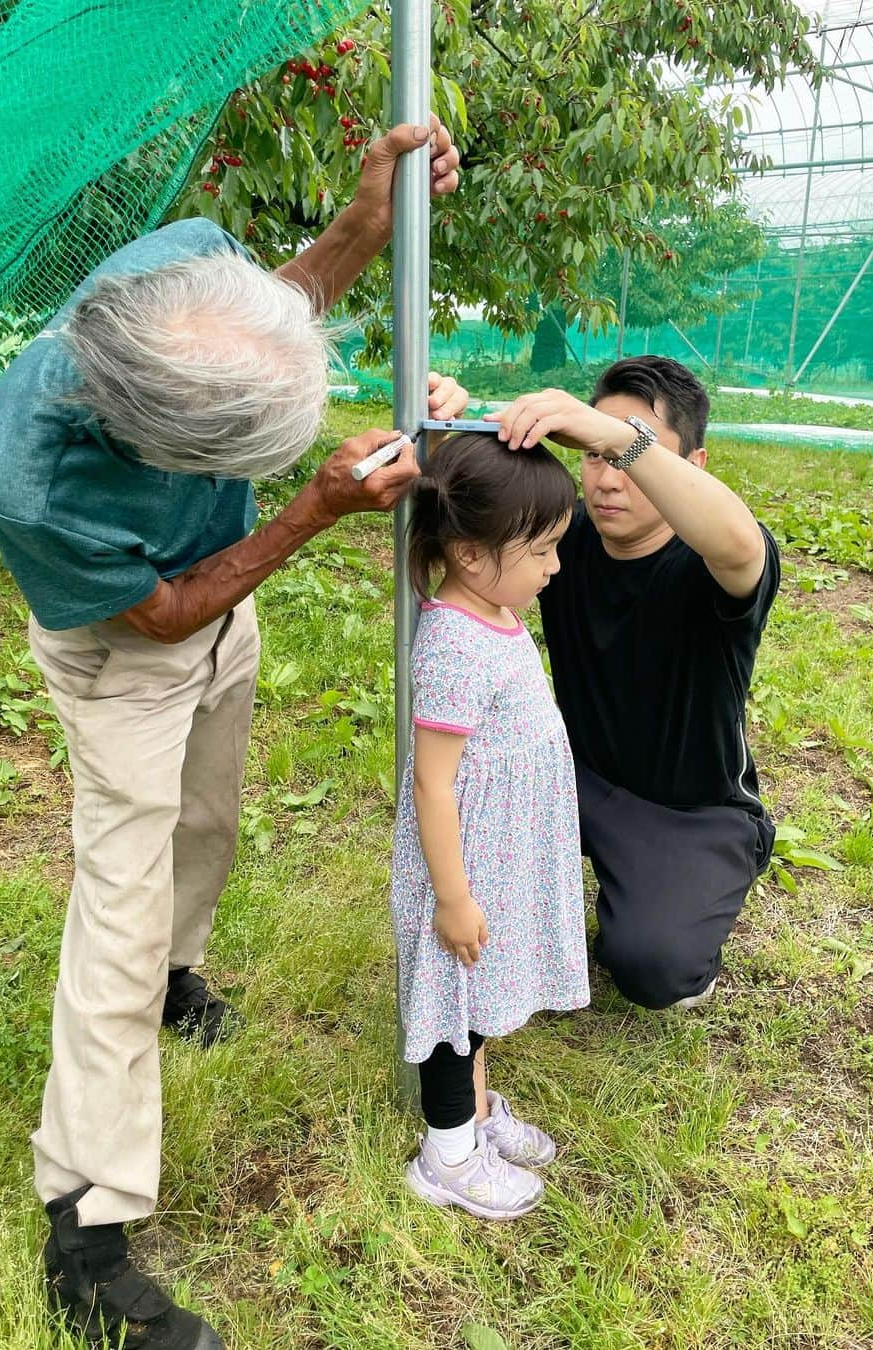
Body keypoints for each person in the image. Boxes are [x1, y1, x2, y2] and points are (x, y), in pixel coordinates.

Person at [0, 120, 464, 1350]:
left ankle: (173, 978)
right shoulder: (39, 482)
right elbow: (165, 613)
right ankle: (83, 1231)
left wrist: (367, 217)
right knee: (119, 899)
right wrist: (310, 509)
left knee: (212, 819)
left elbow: (280, 303)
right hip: (126, 646)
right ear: (159, 452)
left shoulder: (176, 278)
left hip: (217, 615)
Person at [487, 356, 780, 1012]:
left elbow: (739, 543)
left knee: (651, 965)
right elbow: (473, 520)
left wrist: (614, 434)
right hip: (576, 779)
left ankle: (680, 896)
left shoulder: (714, 566)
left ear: (690, 467)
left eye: (629, 454)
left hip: (690, 813)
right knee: (469, 824)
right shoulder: (563, 542)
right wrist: (454, 425)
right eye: (592, 456)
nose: (607, 478)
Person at [391, 433, 590, 1220]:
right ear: (472, 555)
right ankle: (447, 1157)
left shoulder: (493, 612)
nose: (556, 566)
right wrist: (451, 897)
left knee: (479, 1000)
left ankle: (474, 1115)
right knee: (452, 1012)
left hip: (494, 857)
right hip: (463, 864)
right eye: (542, 550)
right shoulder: (453, 643)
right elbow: (434, 785)